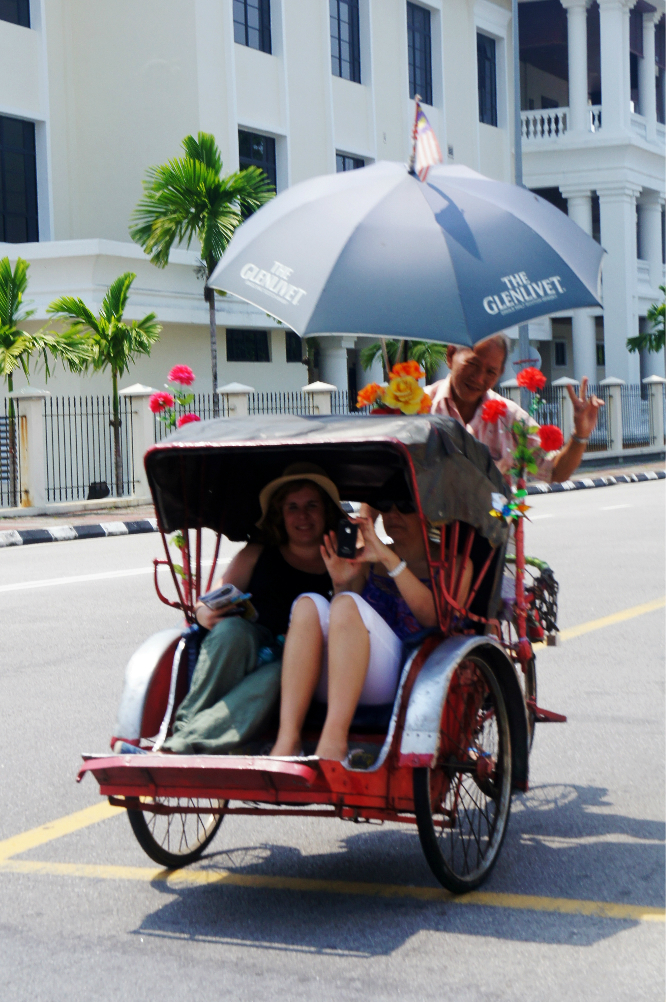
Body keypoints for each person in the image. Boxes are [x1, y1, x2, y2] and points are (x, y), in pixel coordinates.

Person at [270, 499, 473, 762]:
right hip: (345, 675)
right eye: (386, 506)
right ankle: (288, 740)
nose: (394, 514)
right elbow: (341, 619)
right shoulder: (369, 560)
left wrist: (391, 561)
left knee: (346, 604)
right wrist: (340, 582)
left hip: (403, 677)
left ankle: (334, 742)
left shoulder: (456, 565)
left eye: (405, 507)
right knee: (309, 603)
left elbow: (434, 619)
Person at [160, 463, 342, 755]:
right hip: (246, 647)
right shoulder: (256, 554)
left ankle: (184, 744)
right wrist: (204, 613)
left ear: (326, 512)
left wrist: (343, 579)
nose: (303, 516)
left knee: (275, 675)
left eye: (312, 505)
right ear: (280, 514)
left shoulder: (342, 561)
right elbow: (207, 602)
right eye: (292, 507)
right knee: (231, 630)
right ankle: (184, 729)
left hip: (302, 663)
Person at [425, 334, 602, 483]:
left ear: (500, 373)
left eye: (490, 372)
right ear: (451, 355)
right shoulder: (419, 408)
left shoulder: (510, 418)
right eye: (472, 364)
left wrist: (580, 435)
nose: (479, 378)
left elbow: (555, 471)